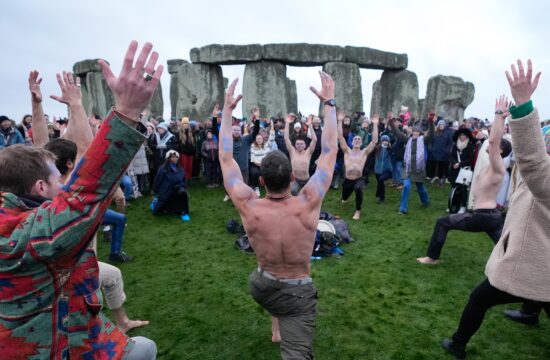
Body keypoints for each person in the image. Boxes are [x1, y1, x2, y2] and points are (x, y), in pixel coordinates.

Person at [0, 41, 160, 359]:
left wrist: (40, 105)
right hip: (60, 347)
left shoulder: (13, 211)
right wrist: (127, 111)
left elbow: (41, 154)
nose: (65, 181)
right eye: (58, 179)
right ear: (41, 187)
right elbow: (86, 192)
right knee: (145, 349)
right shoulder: (33, 236)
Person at [219, 72, 337, 359]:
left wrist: (227, 111)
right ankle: (284, 330)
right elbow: (330, 149)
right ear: (293, 178)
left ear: (261, 181)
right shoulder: (309, 200)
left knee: (274, 290)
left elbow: (225, 158)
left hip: (262, 285)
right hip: (296, 292)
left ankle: (276, 329)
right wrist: (329, 103)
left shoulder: (249, 204)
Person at [441, 59, 550, 359]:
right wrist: (502, 116)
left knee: (479, 298)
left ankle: (457, 344)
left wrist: (524, 104)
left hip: (532, 259)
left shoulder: (544, 172)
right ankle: (530, 312)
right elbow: (510, 145)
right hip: (541, 259)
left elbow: (532, 161)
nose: (544, 141)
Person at [416, 95, 512, 265]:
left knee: (442, 222)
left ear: (501, 152)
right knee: (506, 248)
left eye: (496, 147)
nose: (490, 147)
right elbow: (492, 141)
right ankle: (518, 268)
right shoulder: (491, 165)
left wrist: (498, 115)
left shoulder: (498, 167)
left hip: (483, 217)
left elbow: (493, 140)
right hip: (492, 216)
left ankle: (432, 258)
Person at [388, 113, 434, 214]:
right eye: (414, 131)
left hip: (419, 170)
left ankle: (425, 201)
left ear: (420, 134)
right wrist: (391, 122)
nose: (415, 133)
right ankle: (403, 208)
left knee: (420, 188)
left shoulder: (424, 141)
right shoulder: (407, 140)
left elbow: (431, 134)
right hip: (408, 169)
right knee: (406, 186)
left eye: (418, 132)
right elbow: (397, 133)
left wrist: (431, 121)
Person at [337, 113, 379, 220]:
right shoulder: (347, 151)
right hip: (347, 179)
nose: (357, 140)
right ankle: (345, 197)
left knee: (358, 188)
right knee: (344, 197)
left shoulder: (364, 152)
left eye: (359, 140)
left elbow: (374, 141)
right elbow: (340, 137)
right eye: (355, 139)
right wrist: (340, 121)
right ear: (351, 142)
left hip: (359, 178)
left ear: (361, 143)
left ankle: (357, 211)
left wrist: (374, 124)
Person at [152, 150, 190, 221]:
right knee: (157, 212)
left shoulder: (180, 169)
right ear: (168, 158)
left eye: (176, 157)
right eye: (173, 157)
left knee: (183, 193)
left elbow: (184, 181)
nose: (175, 158)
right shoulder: (163, 169)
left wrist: (183, 187)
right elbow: (157, 181)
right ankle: (156, 202)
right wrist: (154, 191)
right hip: (166, 191)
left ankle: (184, 212)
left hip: (177, 189)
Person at [284, 114, 318, 195]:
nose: (299, 145)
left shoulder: (308, 152)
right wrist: (287, 123)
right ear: (295, 145)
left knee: (309, 196)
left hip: (306, 180)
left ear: (305, 145)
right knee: (292, 192)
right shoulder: (292, 152)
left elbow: (314, 140)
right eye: (297, 144)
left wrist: (310, 125)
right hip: (295, 179)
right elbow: (286, 138)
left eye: (301, 144)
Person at [449, 127, 476, 214]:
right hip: (455, 170)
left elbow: (470, 158)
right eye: (460, 135)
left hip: (465, 170)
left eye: (464, 135)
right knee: (455, 188)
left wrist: (459, 164)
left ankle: (463, 205)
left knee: (463, 188)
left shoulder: (470, 145)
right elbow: (451, 156)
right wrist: (454, 163)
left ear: (467, 136)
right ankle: (454, 204)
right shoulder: (455, 145)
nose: (462, 137)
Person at [249, 121, 277, 196]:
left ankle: (268, 187)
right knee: (254, 173)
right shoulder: (252, 146)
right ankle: (256, 187)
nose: (259, 140)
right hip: (256, 165)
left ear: (262, 139)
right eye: (257, 138)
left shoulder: (267, 145)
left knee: (270, 171)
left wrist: (272, 127)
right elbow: (253, 158)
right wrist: (259, 165)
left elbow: (272, 137)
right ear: (256, 139)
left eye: (260, 138)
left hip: (266, 164)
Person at [429, 119, 453, 185]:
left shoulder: (448, 133)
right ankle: (432, 178)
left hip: (443, 154)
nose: (441, 126)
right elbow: (430, 142)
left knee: (441, 167)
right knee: (433, 166)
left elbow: (450, 143)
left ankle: (441, 179)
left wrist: (447, 151)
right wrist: (431, 149)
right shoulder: (435, 132)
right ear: (438, 125)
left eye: (443, 124)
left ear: (444, 126)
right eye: (440, 124)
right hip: (434, 152)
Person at [374, 134, 393, 203]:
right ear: (381, 141)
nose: (385, 142)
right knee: (379, 182)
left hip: (387, 170)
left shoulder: (390, 149)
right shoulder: (377, 148)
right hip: (377, 170)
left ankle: (382, 198)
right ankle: (378, 194)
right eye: (384, 140)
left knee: (381, 180)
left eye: (387, 141)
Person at [178, 116, 195, 181]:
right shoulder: (179, 132)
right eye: (184, 123)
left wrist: (192, 150)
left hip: (190, 153)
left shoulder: (191, 132)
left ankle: (188, 179)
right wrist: (181, 150)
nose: (186, 125)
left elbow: (193, 143)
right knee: (183, 167)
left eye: (187, 123)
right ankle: (183, 179)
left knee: (189, 167)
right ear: (182, 124)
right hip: (183, 153)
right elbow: (178, 143)